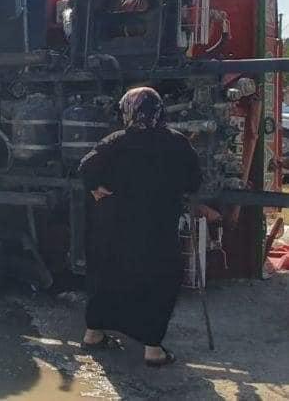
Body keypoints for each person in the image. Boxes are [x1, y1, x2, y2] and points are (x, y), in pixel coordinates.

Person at [77, 86, 202, 367]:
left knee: (106, 276)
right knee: (158, 280)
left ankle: (93, 333)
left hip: (114, 228)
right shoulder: (177, 142)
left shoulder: (116, 141)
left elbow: (86, 167)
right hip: (157, 228)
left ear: (128, 111)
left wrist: (96, 188)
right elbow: (194, 181)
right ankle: (152, 349)